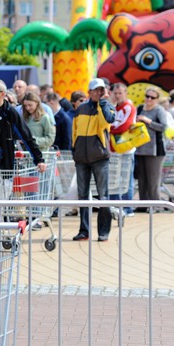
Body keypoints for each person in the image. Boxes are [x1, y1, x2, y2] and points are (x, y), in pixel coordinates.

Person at [71, 78, 116, 242]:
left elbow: (108, 121)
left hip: (100, 157)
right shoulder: (81, 108)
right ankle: (84, 231)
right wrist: (74, 150)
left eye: (102, 89)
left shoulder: (107, 106)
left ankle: (103, 231)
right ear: (89, 92)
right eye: (96, 90)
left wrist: (103, 103)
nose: (99, 92)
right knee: (82, 196)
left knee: (103, 196)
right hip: (81, 158)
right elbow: (74, 131)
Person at [135, 87, 170, 203]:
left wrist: (148, 121)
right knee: (142, 179)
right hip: (140, 148)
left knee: (153, 179)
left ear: (157, 99)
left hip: (155, 150)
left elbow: (163, 127)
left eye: (152, 97)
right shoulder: (140, 108)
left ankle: (155, 204)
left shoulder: (159, 110)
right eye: (147, 96)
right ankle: (143, 204)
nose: (149, 99)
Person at [109, 83, 136, 217]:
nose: (118, 95)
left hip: (126, 149)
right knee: (114, 178)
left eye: (120, 93)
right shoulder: (113, 107)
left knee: (126, 179)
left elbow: (124, 126)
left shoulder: (128, 107)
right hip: (113, 149)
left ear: (125, 93)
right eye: (116, 93)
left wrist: (110, 129)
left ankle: (127, 207)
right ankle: (114, 205)